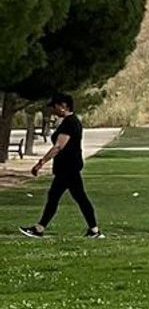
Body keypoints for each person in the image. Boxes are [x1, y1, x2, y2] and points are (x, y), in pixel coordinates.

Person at [20, 93, 101, 240]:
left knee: (60, 197)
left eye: (55, 106)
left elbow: (58, 147)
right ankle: (93, 230)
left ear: (63, 106)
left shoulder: (69, 123)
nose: (53, 110)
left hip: (68, 167)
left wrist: (41, 163)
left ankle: (39, 229)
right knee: (74, 197)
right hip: (70, 166)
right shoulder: (71, 121)